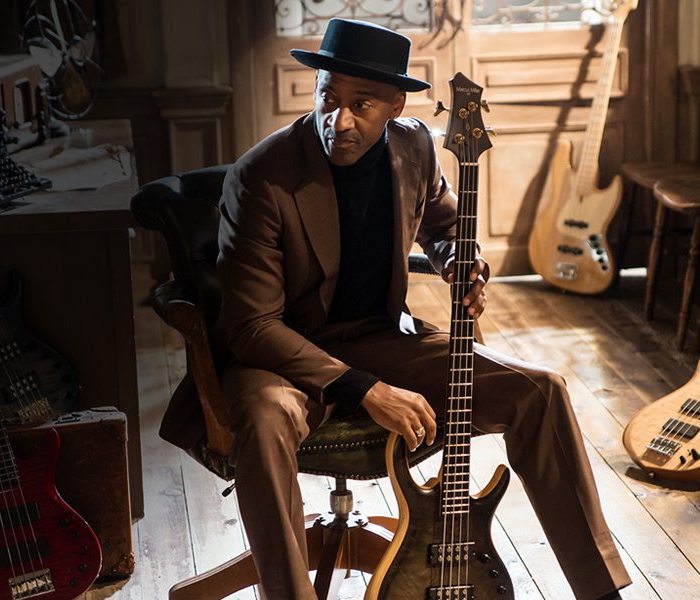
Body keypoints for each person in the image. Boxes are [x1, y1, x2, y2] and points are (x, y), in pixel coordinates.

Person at [160, 17, 631, 600]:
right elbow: (252, 326)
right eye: (328, 97)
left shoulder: (414, 146)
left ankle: (601, 589)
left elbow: (445, 226)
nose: (339, 119)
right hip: (280, 352)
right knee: (263, 420)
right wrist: (367, 390)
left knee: (541, 391)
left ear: (395, 105)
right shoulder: (262, 176)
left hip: (380, 336)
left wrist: (462, 262)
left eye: (361, 104)